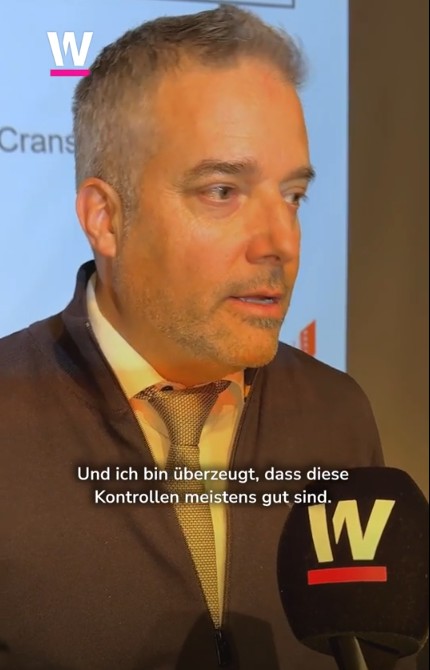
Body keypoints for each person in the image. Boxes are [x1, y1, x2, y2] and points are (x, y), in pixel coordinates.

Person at [0, 5, 413, 670]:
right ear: (105, 218)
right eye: (223, 191)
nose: (280, 242)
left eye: (293, 196)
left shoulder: (337, 415)